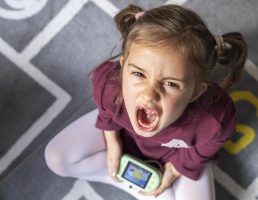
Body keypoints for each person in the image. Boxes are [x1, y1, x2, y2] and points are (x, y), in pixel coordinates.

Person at [44, 4, 247, 200]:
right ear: (122, 68)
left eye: (170, 83)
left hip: (177, 155)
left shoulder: (213, 117)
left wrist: (178, 168)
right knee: (56, 159)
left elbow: (214, 141)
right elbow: (106, 111)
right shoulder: (109, 84)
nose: (149, 94)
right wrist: (112, 140)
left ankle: (143, 184)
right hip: (125, 137)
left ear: (195, 92)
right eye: (139, 74)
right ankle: (125, 181)